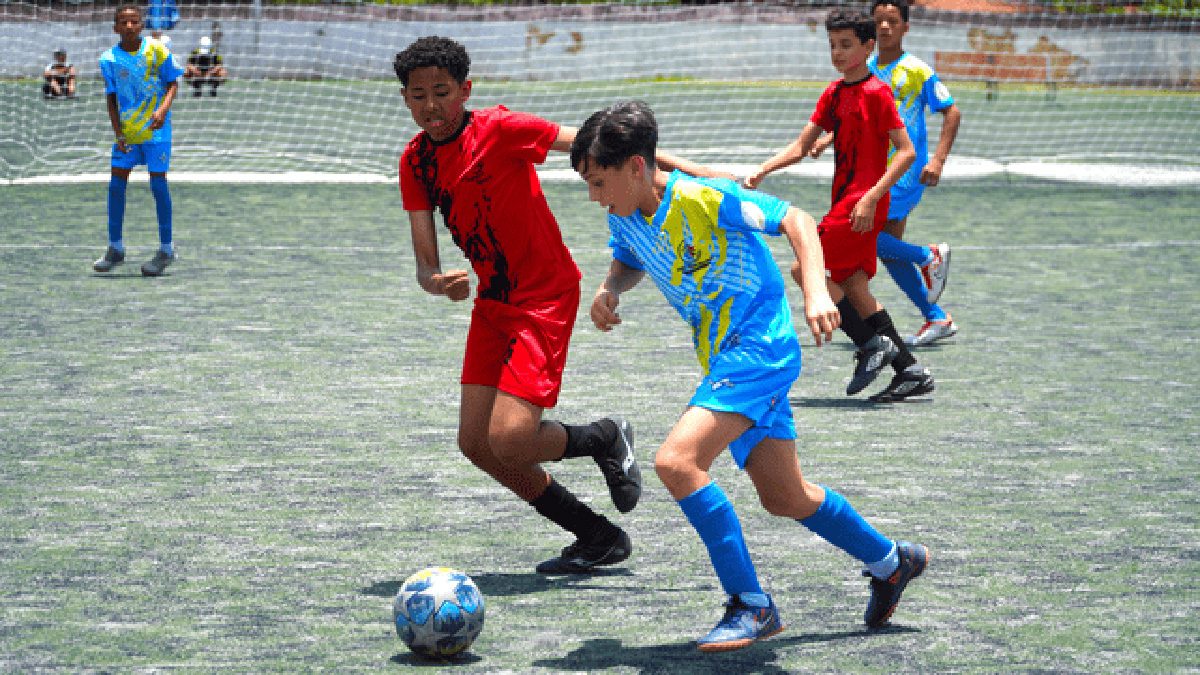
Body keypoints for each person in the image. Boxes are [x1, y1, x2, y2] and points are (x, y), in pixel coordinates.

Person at [571, 99, 929, 651]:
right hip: (725, 358)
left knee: (676, 461)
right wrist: (609, 288)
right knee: (785, 496)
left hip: (759, 349)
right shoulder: (624, 213)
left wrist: (814, 292)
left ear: (636, 167)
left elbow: (797, 220)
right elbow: (629, 256)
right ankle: (891, 561)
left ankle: (751, 604)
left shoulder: (704, 197)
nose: (594, 197)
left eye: (599, 182)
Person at [393, 35, 645, 575]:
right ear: (405, 99)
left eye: (441, 91)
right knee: (476, 445)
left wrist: (688, 174)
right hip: (494, 302)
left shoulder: (501, 129)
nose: (430, 106)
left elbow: (600, 148)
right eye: (417, 96)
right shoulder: (415, 162)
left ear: (466, 89)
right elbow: (425, 266)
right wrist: (439, 283)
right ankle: (596, 535)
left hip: (545, 294)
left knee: (509, 437)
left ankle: (604, 436)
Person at [744, 9, 934, 403]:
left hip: (861, 204)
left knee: (804, 267)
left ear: (868, 47)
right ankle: (909, 369)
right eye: (833, 45)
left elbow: (906, 151)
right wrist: (763, 168)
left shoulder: (878, 93)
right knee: (852, 286)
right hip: (847, 202)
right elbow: (801, 146)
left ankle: (869, 344)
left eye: (846, 45)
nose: (837, 52)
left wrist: (870, 197)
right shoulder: (834, 93)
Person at [810, 0, 962, 347]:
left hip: (902, 172)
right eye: (878, 21)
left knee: (861, 232)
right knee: (887, 250)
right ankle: (936, 317)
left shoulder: (918, 70)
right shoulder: (869, 67)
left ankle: (928, 256)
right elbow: (863, 112)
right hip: (874, 169)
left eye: (892, 21)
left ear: (905, 27)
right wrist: (829, 138)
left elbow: (952, 113)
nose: (884, 28)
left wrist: (937, 160)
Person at [93, 3, 183, 277]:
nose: (129, 26)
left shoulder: (157, 50)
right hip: (128, 134)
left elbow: (173, 82)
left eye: (134, 21)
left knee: (158, 186)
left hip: (157, 132)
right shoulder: (108, 59)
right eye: (123, 22)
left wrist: (162, 110)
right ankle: (115, 248)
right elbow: (111, 99)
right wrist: (118, 132)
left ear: (141, 25)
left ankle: (166, 250)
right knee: (116, 187)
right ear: (115, 27)